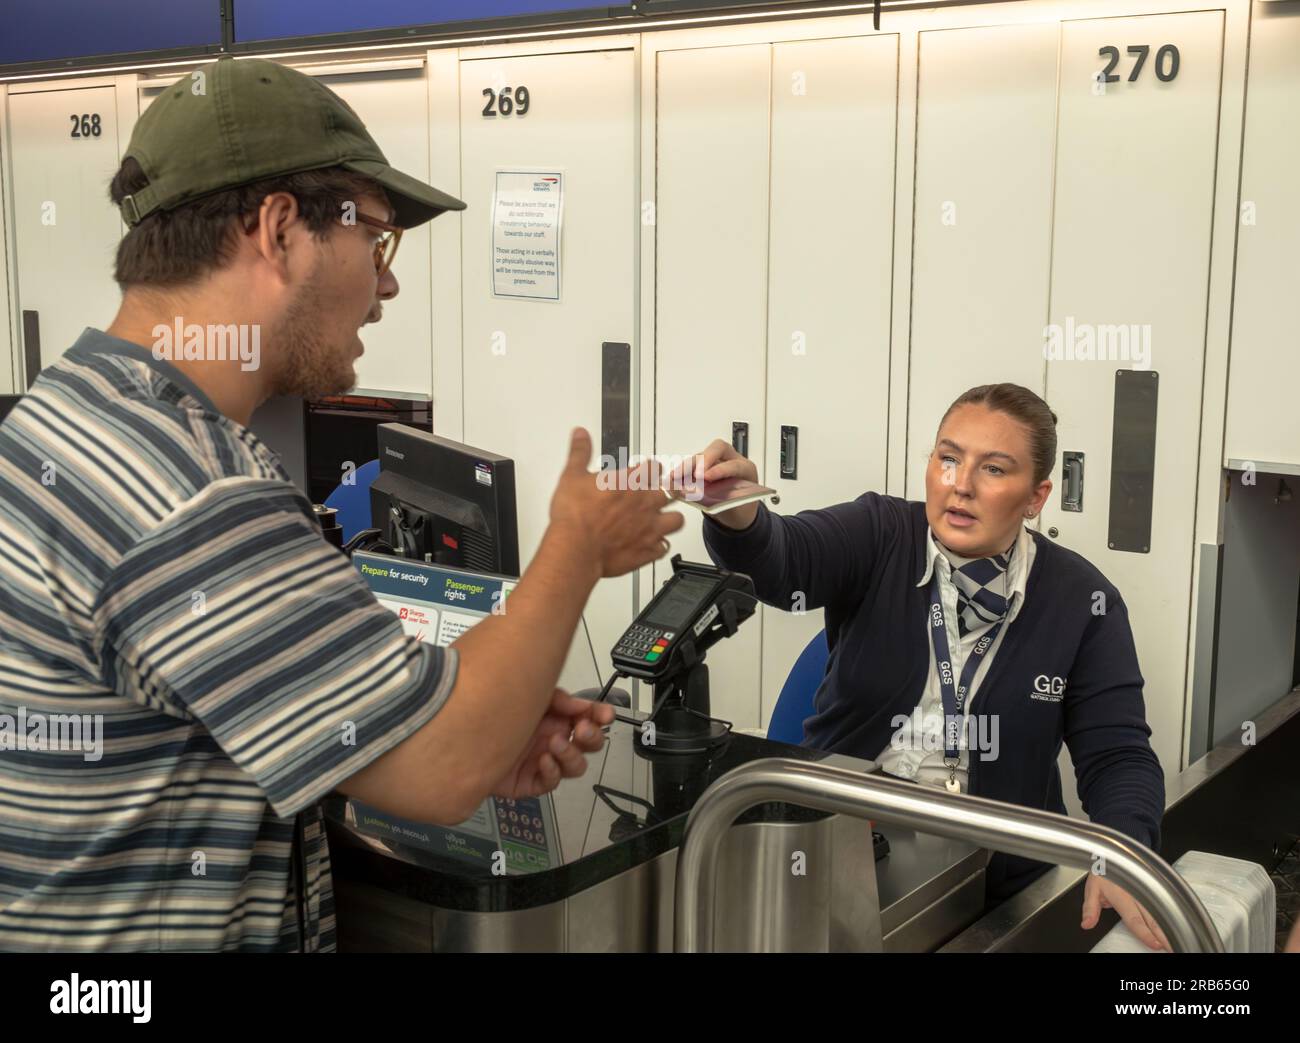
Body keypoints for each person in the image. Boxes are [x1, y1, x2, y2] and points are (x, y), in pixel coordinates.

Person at [0, 56, 682, 952]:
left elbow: (252, 716)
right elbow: (443, 766)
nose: (388, 283)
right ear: (280, 230)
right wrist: (578, 545)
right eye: (379, 239)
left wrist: (449, 729)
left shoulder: (68, 412)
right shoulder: (190, 488)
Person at [687, 383, 1169, 950]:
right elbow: (784, 559)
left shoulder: (1083, 600)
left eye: (992, 469)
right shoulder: (880, 534)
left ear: (1037, 498)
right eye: (947, 458)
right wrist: (738, 516)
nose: (959, 485)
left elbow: (1118, 756)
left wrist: (1122, 850)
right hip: (841, 847)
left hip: (999, 877)